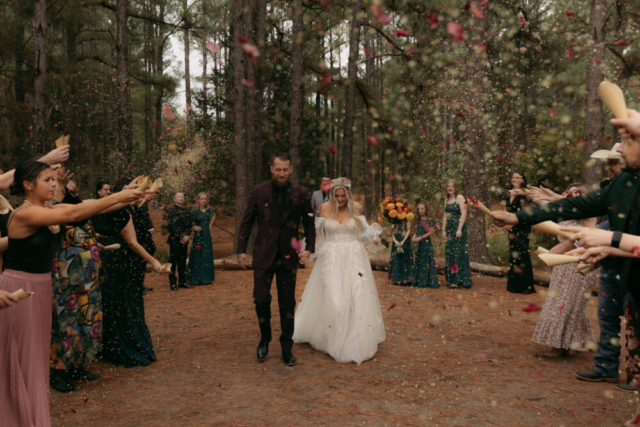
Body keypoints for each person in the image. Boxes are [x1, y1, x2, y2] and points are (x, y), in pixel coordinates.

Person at [489, 114, 640, 426]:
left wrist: (611, 239)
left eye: (630, 141)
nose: (621, 151)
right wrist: (520, 218)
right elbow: (575, 207)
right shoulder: (624, 183)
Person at [0, 161, 143, 427]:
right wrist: (120, 195)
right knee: (20, 361)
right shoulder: (24, 214)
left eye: (55, 179)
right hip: (19, 290)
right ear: (28, 185)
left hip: (40, 289)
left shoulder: (49, 209)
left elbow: (83, 210)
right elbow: (73, 213)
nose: (54, 184)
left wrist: (128, 196)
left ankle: (27, 417)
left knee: (34, 359)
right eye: (47, 180)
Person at [293, 178, 385, 364]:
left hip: (353, 257)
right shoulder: (325, 209)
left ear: (348, 195)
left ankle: (352, 340)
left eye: (343, 195)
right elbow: (318, 235)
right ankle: (332, 336)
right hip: (331, 257)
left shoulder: (356, 208)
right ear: (332, 194)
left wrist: (376, 234)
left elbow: (365, 233)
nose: (340, 199)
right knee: (334, 298)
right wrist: (308, 251)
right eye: (337, 195)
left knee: (354, 297)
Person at [236, 153, 315, 366]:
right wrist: (241, 249)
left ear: (291, 170)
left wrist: (309, 248)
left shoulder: (301, 193)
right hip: (263, 254)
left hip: (289, 257)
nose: (282, 173)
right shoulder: (258, 191)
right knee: (261, 299)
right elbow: (247, 221)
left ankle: (286, 347)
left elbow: (309, 223)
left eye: (285, 170)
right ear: (272, 169)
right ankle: (265, 337)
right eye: (278, 169)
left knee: (287, 303)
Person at [94, 177, 163, 368]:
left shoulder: (110, 208)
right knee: (125, 301)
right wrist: (153, 260)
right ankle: (127, 344)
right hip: (123, 261)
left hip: (111, 259)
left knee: (113, 300)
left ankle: (112, 344)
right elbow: (132, 242)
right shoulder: (123, 212)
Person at [49, 168, 104, 393]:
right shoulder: (53, 210)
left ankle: (77, 365)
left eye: (72, 184)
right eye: (66, 184)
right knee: (66, 323)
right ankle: (59, 371)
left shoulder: (79, 209)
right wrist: (59, 187)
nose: (71, 186)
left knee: (85, 321)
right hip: (66, 280)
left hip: (88, 280)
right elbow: (51, 218)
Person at [531, 184, 598, 357]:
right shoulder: (565, 209)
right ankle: (584, 340)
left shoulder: (588, 212)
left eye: (578, 192)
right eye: (570, 190)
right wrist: (540, 201)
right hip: (563, 261)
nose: (573, 194)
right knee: (573, 303)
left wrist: (555, 197)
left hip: (580, 261)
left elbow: (578, 210)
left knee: (565, 302)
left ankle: (559, 346)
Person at [501, 171, 535, 294]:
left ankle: (525, 286)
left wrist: (513, 222)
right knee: (513, 253)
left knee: (522, 253)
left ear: (522, 180)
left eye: (517, 177)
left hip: (522, 226)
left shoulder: (525, 193)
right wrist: (505, 221)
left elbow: (526, 212)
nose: (514, 179)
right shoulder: (507, 192)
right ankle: (513, 285)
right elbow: (504, 209)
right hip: (511, 227)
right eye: (513, 177)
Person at [442, 179, 472, 288]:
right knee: (450, 253)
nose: (450, 188)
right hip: (449, 230)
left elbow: (464, 213)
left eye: (452, 186)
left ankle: (459, 280)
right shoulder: (446, 200)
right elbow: (445, 215)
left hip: (458, 229)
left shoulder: (460, 198)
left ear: (456, 188)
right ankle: (451, 278)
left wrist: (459, 229)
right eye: (448, 186)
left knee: (458, 253)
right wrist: (443, 230)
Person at [187, 192, 215, 286]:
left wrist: (210, 226)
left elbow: (213, 216)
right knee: (198, 253)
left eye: (205, 199)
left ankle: (206, 278)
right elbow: (187, 222)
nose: (203, 200)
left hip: (207, 234)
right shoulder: (195, 211)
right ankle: (196, 278)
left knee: (206, 253)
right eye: (202, 199)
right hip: (199, 235)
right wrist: (193, 227)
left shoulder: (209, 210)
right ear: (198, 200)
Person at [167, 192, 192, 290]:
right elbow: (171, 226)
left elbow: (190, 225)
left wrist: (187, 236)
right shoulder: (171, 211)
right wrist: (181, 237)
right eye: (178, 197)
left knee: (182, 261)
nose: (180, 198)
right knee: (173, 262)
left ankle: (182, 281)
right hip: (175, 240)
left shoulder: (186, 211)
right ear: (174, 199)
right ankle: (172, 283)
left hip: (185, 240)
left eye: (182, 197)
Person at [412, 202, 439, 289]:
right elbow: (416, 230)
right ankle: (418, 280)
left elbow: (431, 231)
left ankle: (426, 281)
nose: (420, 210)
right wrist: (414, 237)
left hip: (425, 242)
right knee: (418, 260)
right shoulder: (417, 219)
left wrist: (421, 237)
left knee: (425, 260)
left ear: (426, 210)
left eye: (422, 209)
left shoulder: (429, 219)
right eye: (419, 208)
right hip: (418, 242)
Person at [388, 215, 413, 285]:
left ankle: (405, 278)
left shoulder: (407, 218)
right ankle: (396, 278)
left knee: (405, 259)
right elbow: (392, 231)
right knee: (396, 258)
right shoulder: (394, 218)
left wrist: (404, 240)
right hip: (397, 240)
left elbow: (409, 229)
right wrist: (395, 241)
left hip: (405, 241)